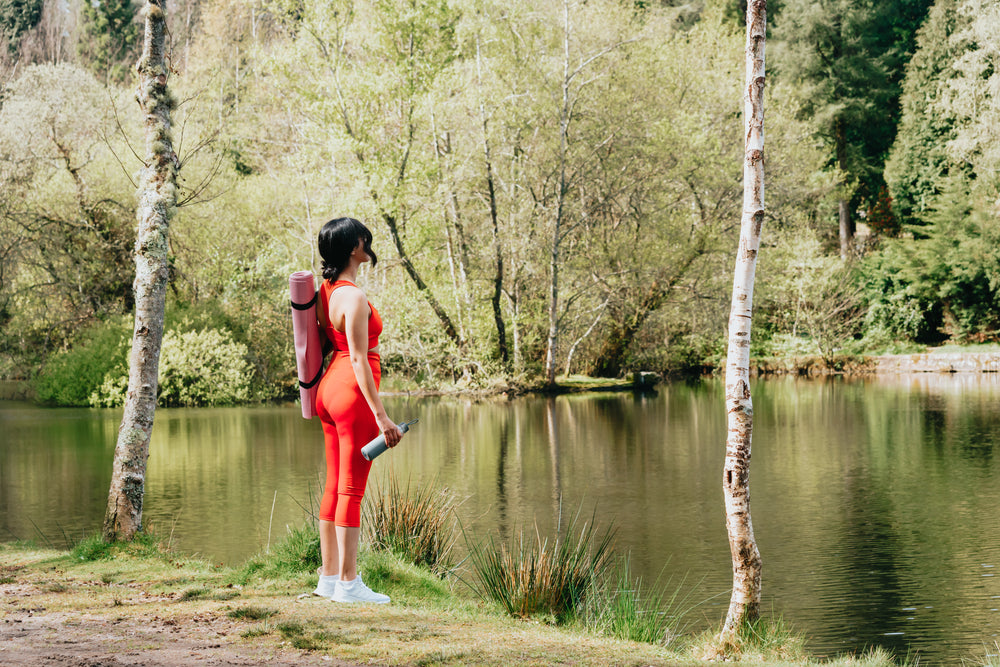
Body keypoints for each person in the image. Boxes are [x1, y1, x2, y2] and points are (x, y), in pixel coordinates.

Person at [311, 217, 404, 604]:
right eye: (365, 239)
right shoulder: (354, 296)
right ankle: (349, 585)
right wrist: (382, 417)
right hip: (351, 394)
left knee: (335, 485)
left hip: (327, 392)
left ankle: (329, 579)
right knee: (351, 489)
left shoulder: (326, 290)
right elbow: (359, 361)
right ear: (354, 247)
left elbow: (321, 338)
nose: (369, 244)